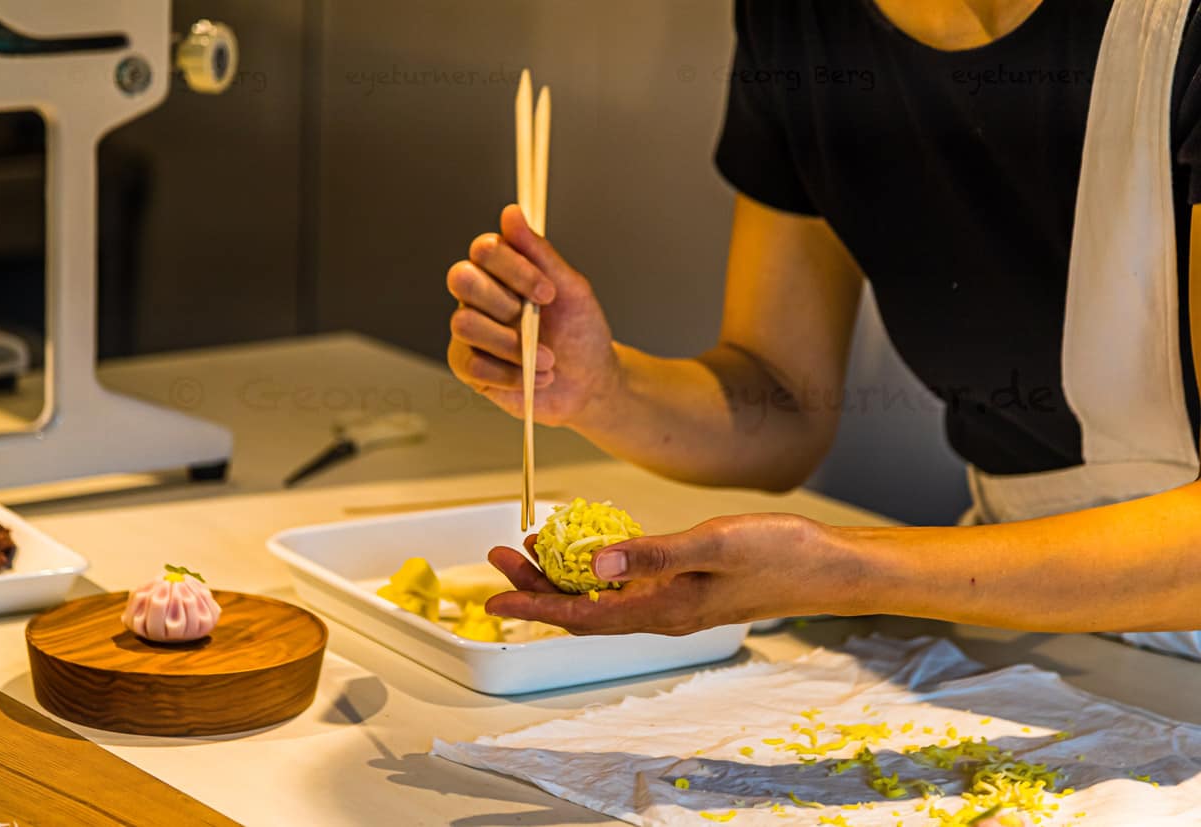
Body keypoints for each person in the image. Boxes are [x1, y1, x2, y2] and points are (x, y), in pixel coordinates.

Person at [445, 0, 1201, 653]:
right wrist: (601, 389)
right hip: (1020, 633)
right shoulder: (806, 22)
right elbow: (781, 396)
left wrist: (848, 570)